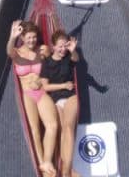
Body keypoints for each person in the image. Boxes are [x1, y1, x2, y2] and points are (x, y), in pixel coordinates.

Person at [7, 20, 58, 177]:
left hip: (41, 92)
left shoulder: (42, 50)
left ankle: (47, 161)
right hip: (27, 94)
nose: (32, 40)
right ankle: (42, 163)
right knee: (35, 130)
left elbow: (52, 66)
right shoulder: (17, 52)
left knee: (53, 125)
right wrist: (11, 36)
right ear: (22, 37)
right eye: (29, 37)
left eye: (34, 37)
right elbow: (9, 51)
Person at [40, 31, 80, 177]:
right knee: (61, 131)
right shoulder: (47, 63)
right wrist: (63, 85)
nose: (63, 49)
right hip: (56, 99)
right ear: (53, 46)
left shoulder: (68, 56)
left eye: (65, 46)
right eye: (60, 47)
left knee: (69, 127)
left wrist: (73, 50)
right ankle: (66, 168)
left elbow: (76, 59)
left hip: (70, 97)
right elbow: (45, 86)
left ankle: (66, 170)